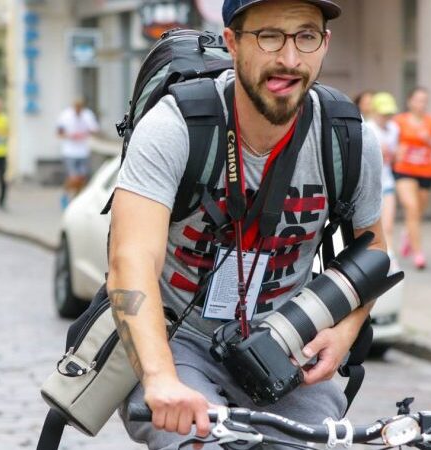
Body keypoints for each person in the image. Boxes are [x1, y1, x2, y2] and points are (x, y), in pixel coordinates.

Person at [108, 1, 384, 448]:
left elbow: (372, 251)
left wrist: (345, 331)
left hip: (284, 345)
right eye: (269, 36)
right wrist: (159, 378)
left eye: (306, 36)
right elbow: (131, 260)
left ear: (324, 43)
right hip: (176, 341)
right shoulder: (175, 127)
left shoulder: (347, 138)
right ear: (233, 43)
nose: (289, 59)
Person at [393, 87, 431, 270]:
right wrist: (397, 151)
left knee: (417, 213)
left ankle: (407, 233)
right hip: (404, 170)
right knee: (412, 207)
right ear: (410, 101)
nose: (421, 104)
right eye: (418, 100)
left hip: (426, 172)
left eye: (424, 100)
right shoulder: (399, 121)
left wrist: (430, 140)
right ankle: (418, 254)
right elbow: (390, 143)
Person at [366, 92, 401, 271]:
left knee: (388, 225)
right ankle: (374, 260)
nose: (387, 117)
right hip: (369, 185)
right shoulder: (367, 129)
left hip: (387, 182)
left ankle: (390, 257)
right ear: (374, 112)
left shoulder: (394, 129)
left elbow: (394, 156)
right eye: (383, 114)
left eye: (389, 114)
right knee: (370, 228)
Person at [56, 98, 100, 209]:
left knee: (82, 178)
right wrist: (70, 135)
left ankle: (75, 199)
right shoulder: (65, 115)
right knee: (73, 177)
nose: (78, 111)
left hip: (83, 151)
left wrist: (86, 133)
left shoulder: (87, 115)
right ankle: (65, 194)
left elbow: (95, 130)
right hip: (69, 151)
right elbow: (59, 133)